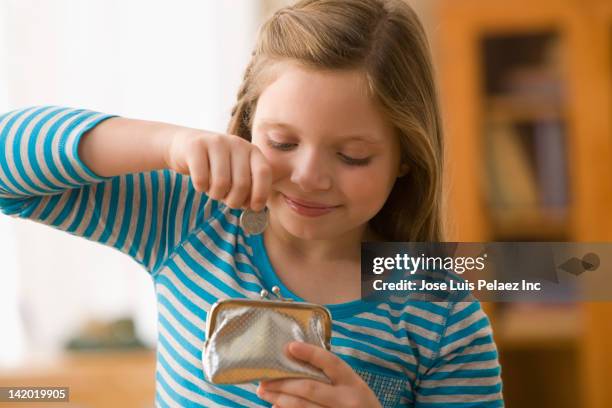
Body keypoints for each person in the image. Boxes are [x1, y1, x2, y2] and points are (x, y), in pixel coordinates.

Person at [0, 0, 503, 406]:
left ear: (405, 158)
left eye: (352, 156)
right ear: (246, 125)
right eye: (282, 143)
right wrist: (166, 144)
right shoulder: (189, 221)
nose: (308, 177)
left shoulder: (442, 312)